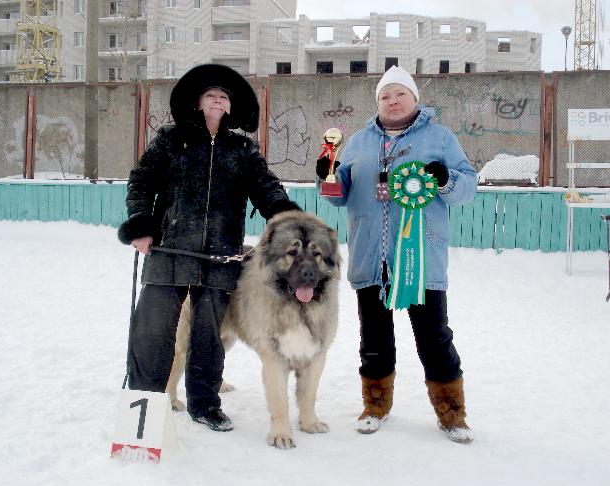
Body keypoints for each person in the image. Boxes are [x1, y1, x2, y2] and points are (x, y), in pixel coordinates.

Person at [117, 64, 300, 432]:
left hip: (220, 256)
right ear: (197, 103)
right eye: (210, 94)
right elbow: (142, 180)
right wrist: (141, 224)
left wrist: (283, 215)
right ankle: (145, 405)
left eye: (224, 96)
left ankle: (204, 403)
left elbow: (266, 186)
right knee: (152, 331)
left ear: (230, 108)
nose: (218, 99)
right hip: (169, 251)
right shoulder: (170, 139)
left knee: (209, 336)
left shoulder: (243, 149)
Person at [316, 65, 477, 443]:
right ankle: (375, 405)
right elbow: (339, 198)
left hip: (422, 259)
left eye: (400, 94)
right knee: (373, 338)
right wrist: (327, 176)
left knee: (435, 337)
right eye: (385, 95)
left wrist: (445, 178)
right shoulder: (355, 142)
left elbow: (468, 187)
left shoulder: (440, 138)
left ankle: (452, 413)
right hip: (371, 257)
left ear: (415, 99)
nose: (392, 100)